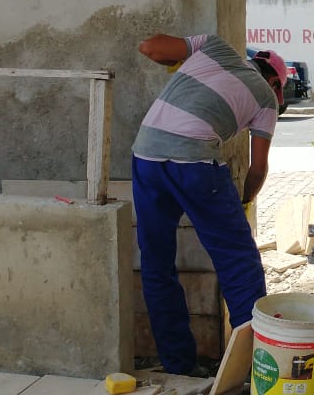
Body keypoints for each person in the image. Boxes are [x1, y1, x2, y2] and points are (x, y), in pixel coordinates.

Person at [131, 34, 287, 377]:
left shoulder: (213, 47)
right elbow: (257, 168)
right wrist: (246, 199)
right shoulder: (266, 100)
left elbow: (149, 47)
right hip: (195, 163)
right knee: (239, 262)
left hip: (145, 154)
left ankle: (179, 367)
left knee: (156, 265)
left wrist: (182, 64)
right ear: (274, 81)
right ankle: (256, 368)